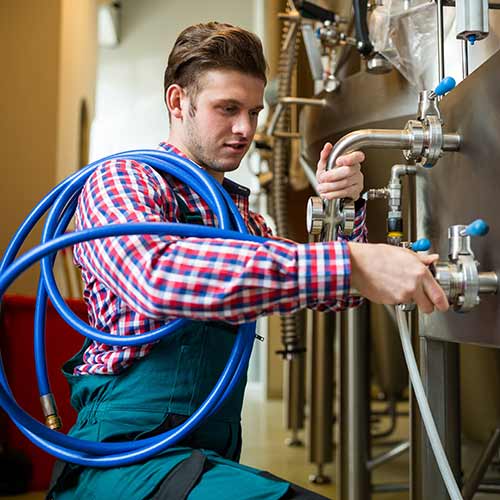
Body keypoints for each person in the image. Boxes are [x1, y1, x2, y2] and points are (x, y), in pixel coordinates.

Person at [49, 22, 448, 500]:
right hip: (127, 458)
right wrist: (351, 262)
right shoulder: (123, 181)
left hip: (201, 455)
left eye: (254, 112)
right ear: (178, 102)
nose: (245, 129)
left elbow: (334, 296)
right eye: (228, 109)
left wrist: (343, 210)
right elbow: (159, 277)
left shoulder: (244, 222)